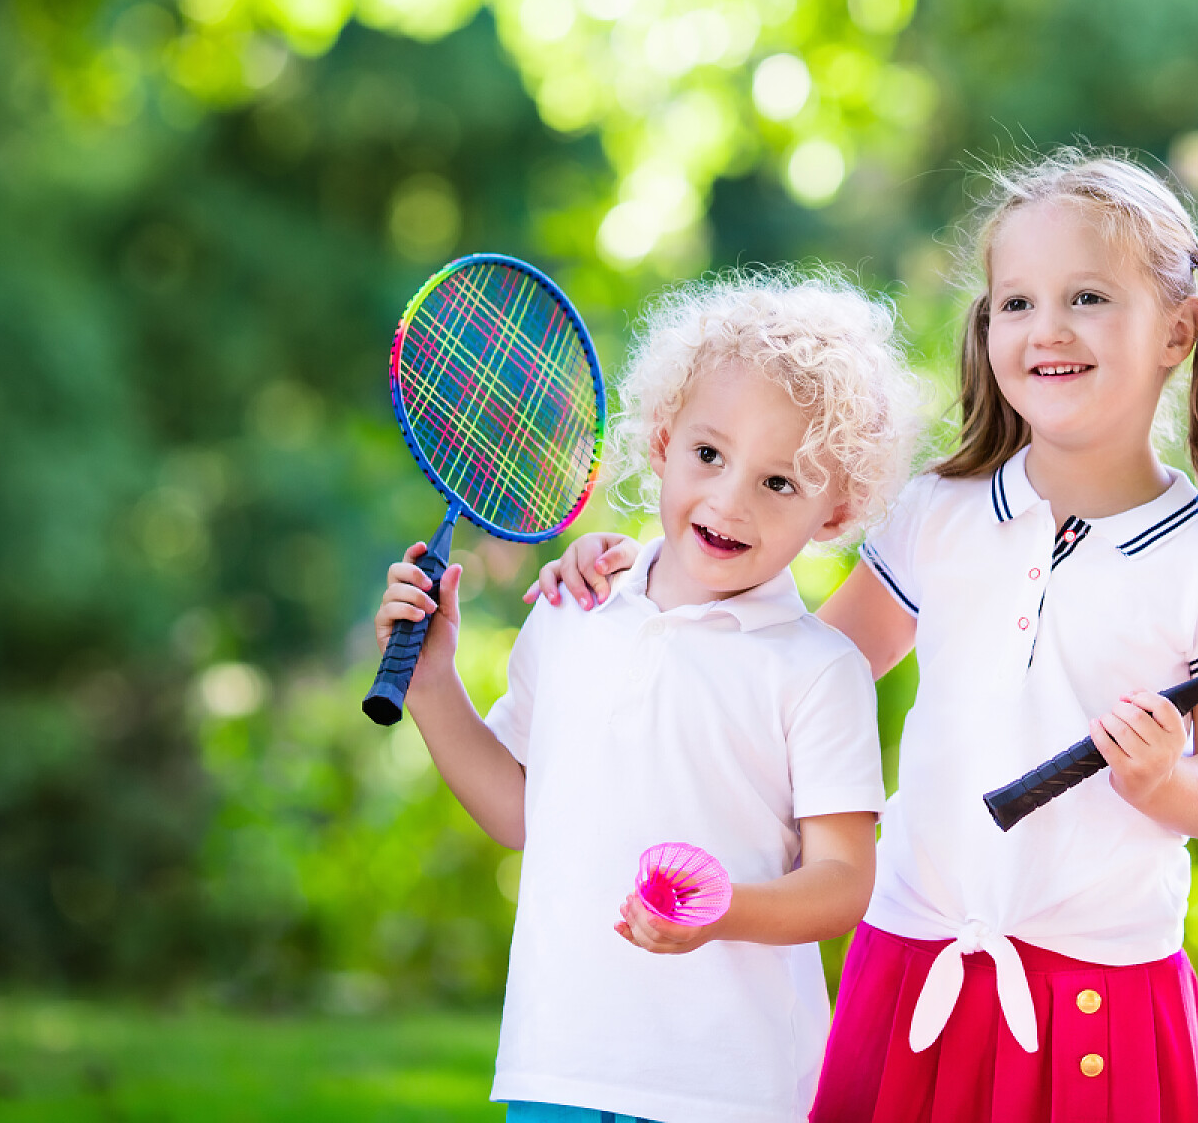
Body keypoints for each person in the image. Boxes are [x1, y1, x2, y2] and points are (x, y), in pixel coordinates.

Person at [536, 148, 1198, 1122]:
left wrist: (1167, 780)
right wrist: (638, 579)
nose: (1046, 329)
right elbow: (799, 659)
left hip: (1102, 993)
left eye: (1088, 297)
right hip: (911, 960)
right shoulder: (938, 510)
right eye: (1016, 302)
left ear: (1179, 327)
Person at [378, 272, 923, 1123]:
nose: (729, 500)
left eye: (779, 483)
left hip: (735, 1088)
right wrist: (431, 684)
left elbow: (844, 883)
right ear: (663, 443)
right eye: (709, 455)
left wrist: (722, 913)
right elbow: (525, 816)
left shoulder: (818, 671)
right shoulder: (573, 611)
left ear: (833, 515)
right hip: (559, 1066)